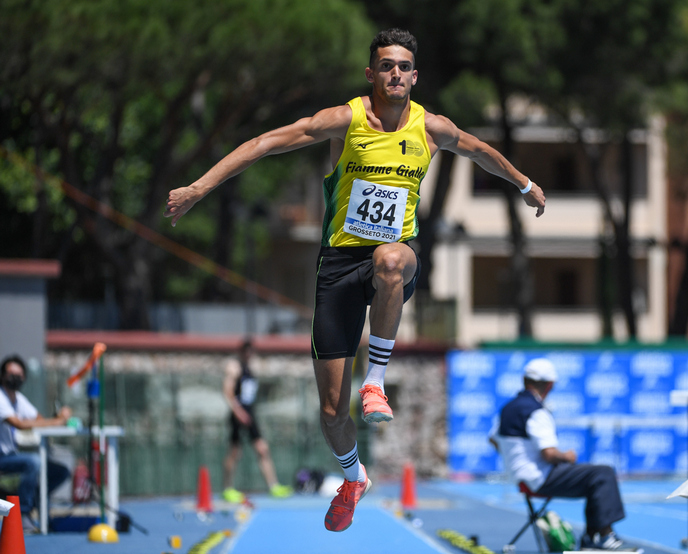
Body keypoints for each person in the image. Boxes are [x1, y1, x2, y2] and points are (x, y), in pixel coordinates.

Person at [164, 28, 546, 531]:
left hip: (396, 258)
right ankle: (352, 477)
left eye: (403, 66)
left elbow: (479, 151)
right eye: (385, 65)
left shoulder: (430, 128)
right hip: (338, 265)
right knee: (330, 411)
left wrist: (524, 184)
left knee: (391, 260)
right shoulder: (344, 120)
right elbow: (264, 144)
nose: (395, 74)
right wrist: (198, 187)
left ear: (414, 76)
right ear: (372, 74)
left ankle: (377, 381)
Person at [489, 358, 627, 550]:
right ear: (550, 385)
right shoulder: (536, 411)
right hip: (540, 477)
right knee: (602, 473)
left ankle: (591, 537)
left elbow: (493, 439)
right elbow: (549, 454)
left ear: (524, 380)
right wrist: (567, 456)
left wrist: (515, 458)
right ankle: (603, 537)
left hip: (520, 476)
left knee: (593, 479)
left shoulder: (507, 408)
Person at [0, 355, 72, 521]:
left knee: (60, 471)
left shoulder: (18, 399)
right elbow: (19, 424)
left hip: (11, 455)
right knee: (34, 461)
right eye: (11, 374)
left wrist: (58, 418)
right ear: (2, 375)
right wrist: (58, 421)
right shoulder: (1, 397)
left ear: (24, 377)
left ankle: (33, 498)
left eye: (19, 374)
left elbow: (38, 419)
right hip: (3, 457)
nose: (15, 378)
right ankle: (23, 512)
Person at [222, 339, 292, 503]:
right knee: (234, 452)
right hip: (238, 414)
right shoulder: (234, 367)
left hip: (249, 413)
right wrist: (238, 412)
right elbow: (227, 391)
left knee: (262, 449)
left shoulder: (251, 368)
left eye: (250, 351)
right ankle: (227, 488)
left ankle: (273, 485)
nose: (248, 354)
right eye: (245, 351)